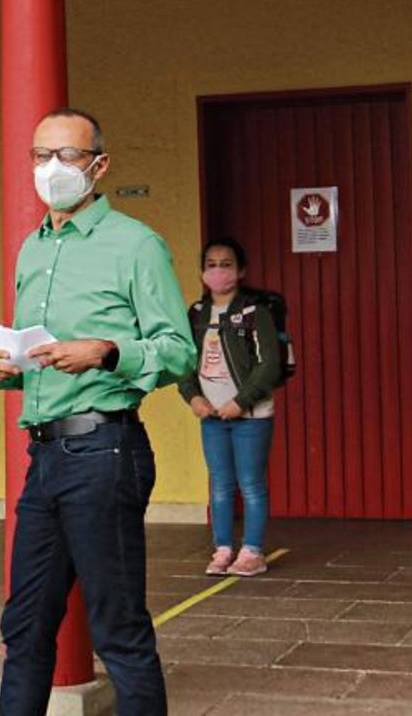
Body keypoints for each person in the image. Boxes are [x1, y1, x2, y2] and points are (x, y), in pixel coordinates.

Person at [0, 108, 194, 716]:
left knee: (117, 626)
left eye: (67, 156)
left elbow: (178, 351)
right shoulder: (33, 249)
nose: (52, 169)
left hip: (104, 452)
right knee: (24, 626)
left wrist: (107, 351)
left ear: (100, 165)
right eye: (41, 156)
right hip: (44, 455)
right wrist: (3, 371)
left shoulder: (136, 245)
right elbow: (37, 358)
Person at [176, 238, 282, 578]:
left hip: (250, 416)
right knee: (220, 483)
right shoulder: (196, 314)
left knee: (250, 483)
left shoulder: (255, 312)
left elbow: (270, 365)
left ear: (241, 271)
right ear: (202, 270)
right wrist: (193, 397)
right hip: (212, 417)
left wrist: (241, 401)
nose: (218, 271)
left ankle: (252, 551)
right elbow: (183, 361)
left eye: (226, 264)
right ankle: (222, 548)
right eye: (211, 264)